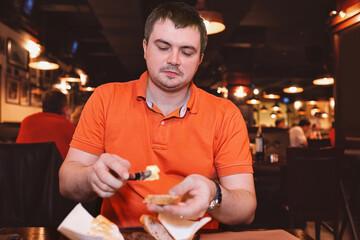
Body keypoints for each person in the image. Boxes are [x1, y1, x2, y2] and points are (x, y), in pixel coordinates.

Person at [59, 2, 256, 229]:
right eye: (163, 47)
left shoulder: (226, 114)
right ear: (144, 48)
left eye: (187, 51)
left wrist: (214, 194)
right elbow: (66, 183)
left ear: (200, 59)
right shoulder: (106, 97)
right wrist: (91, 176)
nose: (174, 59)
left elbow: (247, 210)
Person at [16, 89, 75, 159]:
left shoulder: (26, 121)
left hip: (22, 168)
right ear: (64, 109)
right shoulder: (69, 126)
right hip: (54, 169)